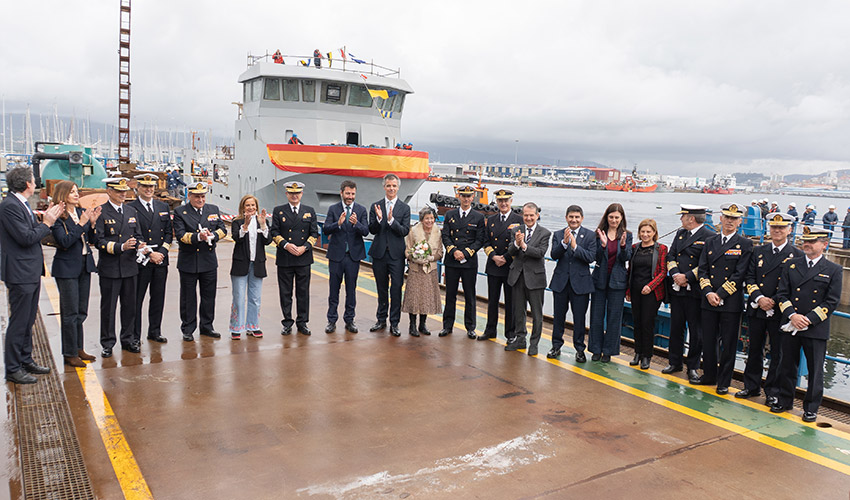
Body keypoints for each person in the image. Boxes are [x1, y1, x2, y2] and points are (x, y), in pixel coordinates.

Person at [771, 226, 842, 423]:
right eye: (805, 241)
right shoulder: (791, 265)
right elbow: (782, 294)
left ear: (824, 244)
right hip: (791, 323)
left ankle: (811, 408)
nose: (807, 244)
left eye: (812, 241)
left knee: (815, 370)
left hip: (815, 327)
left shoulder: (833, 269)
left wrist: (808, 319)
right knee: (787, 365)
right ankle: (784, 400)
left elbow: (831, 301)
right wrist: (793, 316)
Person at [0, 167, 64, 384]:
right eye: (33, 180)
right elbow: (26, 238)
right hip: (20, 273)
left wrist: (46, 221)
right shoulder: (10, 206)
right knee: (19, 321)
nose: (35, 183)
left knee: (28, 320)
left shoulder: (21, 203)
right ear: (28, 184)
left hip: (29, 271)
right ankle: (13, 368)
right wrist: (47, 223)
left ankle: (25, 359)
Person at [692, 203, 753, 394]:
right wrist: (709, 292)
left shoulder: (745, 244)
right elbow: (703, 269)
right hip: (708, 300)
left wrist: (719, 294)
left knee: (728, 344)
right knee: (708, 341)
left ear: (740, 221)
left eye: (734, 218)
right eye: (727, 217)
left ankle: (724, 381)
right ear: (721, 218)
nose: (730, 221)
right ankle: (709, 375)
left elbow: (740, 273)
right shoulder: (710, 241)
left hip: (730, 303)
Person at [738, 212, 796, 405]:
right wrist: (759, 298)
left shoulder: (796, 255)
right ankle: (751, 386)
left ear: (789, 230)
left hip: (779, 311)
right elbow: (749, 277)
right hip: (757, 307)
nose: (777, 230)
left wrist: (773, 300)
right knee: (754, 349)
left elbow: (793, 285)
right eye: (774, 227)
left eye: (781, 227)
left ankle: (773, 391)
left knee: (778, 354)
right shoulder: (758, 251)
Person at [50, 181, 101, 367]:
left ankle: (79, 348)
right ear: (63, 194)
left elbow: (91, 240)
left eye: (77, 191)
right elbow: (65, 241)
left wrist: (92, 224)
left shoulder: (81, 212)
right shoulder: (58, 216)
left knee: (81, 311)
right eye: (72, 192)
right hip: (66, 268)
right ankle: (69, 353)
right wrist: (81, 224)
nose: (76, 194)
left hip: (84, 265)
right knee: (70, 313)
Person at [94, 177, 144, 357]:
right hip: (110, 268)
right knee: (109, 308)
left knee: (129, 306)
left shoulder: (131, 211)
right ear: (109, 192)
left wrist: (140, 244)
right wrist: (120, 247)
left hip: (130, 267)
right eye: (119, 191)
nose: (123, 194)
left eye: (124, 191)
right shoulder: (101, 212)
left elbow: (138, 234)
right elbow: (98, 241)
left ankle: (128, 339)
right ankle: (107, 343)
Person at [172, 182, 227, 341]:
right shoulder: (180, 212)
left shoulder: (213, 209)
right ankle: (188, 328)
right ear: (189, 196)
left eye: (202, 196)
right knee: (188, 298)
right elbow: (181, 235)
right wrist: (198, 237)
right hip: (189, 261)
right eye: (197, 196)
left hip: (208, 261)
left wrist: (212, 236)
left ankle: (207, 326)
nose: (200, 199)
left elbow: (223, 230)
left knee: (209, 296)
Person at [663, 205, 713, 379]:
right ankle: (674, 362)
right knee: (676, 328)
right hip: (677, 289)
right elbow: (671, 256)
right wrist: (676, 274)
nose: (681, 219)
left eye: (683, 216)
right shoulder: (680, 234)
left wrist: (687, 277)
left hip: (695, 291)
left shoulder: (709, 236)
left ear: (691, 218)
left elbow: (707, 263)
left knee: (696, 331)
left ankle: (692, 366)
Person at [547, 205, 596, 361]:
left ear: (582, 218)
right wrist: (564, 243)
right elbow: (554, 255)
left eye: (577, 217)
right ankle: (556, 346)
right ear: (566, 218)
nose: (574, 220)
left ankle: (580, 349)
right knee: (558, 317)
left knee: (579, 319)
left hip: (580, 284)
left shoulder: (590, 235)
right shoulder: (558, 234)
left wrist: (575, 247)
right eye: (571, 217)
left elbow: (591, 257)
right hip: (561, 282)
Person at [129, 173, 172, 345]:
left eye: (151, 186)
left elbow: (168, 233)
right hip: (142, 260)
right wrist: (149, 253)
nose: (148, 189)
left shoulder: (163, 206)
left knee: (158, 298)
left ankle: (155, 331)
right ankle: (135, 336)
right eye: (145, 186)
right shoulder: (131, 208)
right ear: (138, 188)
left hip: (160, 260)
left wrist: (162, 252)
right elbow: (133, 233)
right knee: (136, 300)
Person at [270, 181, 318, 335]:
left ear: (301, 194)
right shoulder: (279, 211)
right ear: (287, 194)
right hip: (285, 257)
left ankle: (302, 322)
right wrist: (285, 245)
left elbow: (314, 233)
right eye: (291, 193)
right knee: (286, 292)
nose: (294, 196)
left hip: (303, 257)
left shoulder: (309, 211)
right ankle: (287, 322)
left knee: (303, 292)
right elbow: (274, 232)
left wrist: (305, 247)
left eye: (297, 193)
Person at [440, 185, 486, 338]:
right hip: (452, 260)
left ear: (473, 197)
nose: (466, 199)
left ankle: (470, 327)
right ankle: (447, 326)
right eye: (463, 196)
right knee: (450, 295)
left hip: (469, 262)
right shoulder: (450, 214)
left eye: (469, 196)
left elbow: (480, 240)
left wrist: (465, 253)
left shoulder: (479, 217)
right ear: (459, 197)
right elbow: (445, 236)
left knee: (470, 296)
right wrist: (454, 251)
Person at [505, 202, 551, 356]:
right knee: (519, 311)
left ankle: (534, 343)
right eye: (526, 215)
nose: (529, 218)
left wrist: (524, 245)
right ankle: (520, 339)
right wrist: (516, 244)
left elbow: (540, 253)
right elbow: (511, 251)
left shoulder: (545, 233)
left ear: (537, 215)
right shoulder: (516, 230)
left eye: (532, 215)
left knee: (537, 314)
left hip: (535, 279)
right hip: (517, 277)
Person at [588, 203, 633, 362]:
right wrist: (603, 245)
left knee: (614, 317)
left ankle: (608, 351)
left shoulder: (627, 235)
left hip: (617, 281)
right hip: (599, 280)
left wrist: (623, 246)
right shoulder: (598, 233)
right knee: (596, 316)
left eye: (617, 217)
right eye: (611, 217)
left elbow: (626, 258)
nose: (614, 220)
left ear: (622, 218)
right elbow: (595, 257)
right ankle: (595, 349)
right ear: (606, 217)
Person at [323, 180, 369, 334]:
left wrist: (356, 224)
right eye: (348, 193)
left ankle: (350, 320)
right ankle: (331, 320)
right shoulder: (333, 209)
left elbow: (366, 231)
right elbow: (326, 229)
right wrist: (338, 223)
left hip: (353, 257)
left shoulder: (361, 210)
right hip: (336, 256)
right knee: (333, 290)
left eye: (353, 194)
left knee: (351, 290)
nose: (350, 196)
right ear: (341, 193)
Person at [368, 174, 411, 336]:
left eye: (394, 186)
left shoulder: (404, 208)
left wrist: (392, 221)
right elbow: (371, 230)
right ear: (384, 187)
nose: (391, 188)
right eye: (388, 185)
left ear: (398, 187)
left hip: (396, 255)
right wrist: (379, 220)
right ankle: (381, 319)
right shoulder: (376, 206)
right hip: (379, 253)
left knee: (396, 288)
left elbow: (404, 231)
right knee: (381, 288)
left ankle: (395, 323)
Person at [480, 189, 522, 342]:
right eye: (500, 201)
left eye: (506, 200)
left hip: (510, 266)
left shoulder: (519, 220)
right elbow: (486, 242)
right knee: (492, 300)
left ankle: (510, 333)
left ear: (511, 201)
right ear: (497, 202)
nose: (503, 203)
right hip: (494, 265)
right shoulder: (491, 220)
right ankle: (490, 330)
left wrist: (505, 257)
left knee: (510, 302)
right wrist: (493, 256)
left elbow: (518, 243)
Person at [626, 219, 668, 370]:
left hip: (652, 292)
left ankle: (646, 356)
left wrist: (650, 286)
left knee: (647, 323)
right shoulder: (635, 248)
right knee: (637, 322)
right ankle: (637, 353)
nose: (645, 234)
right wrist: (628, 290)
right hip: (636, 290)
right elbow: (630, 270)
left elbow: (663, 272)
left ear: (654, 233)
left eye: (648, 232)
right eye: (642, 231)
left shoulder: (661, 249)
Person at [230, 195, 269, 339]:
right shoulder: (237, 222)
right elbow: (236, 238)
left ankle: (253, 326)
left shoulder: (262, 221)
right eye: (248, 205)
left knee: (255, 298)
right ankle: (236, 327)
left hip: (257, 264)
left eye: (253, 205)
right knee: (239, 298)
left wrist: (263, 225)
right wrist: (245, 226)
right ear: (242, 207)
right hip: (241, 264)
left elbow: (267, 241)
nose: (251, 208)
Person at [401, 207, 443, 336]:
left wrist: (431, 258)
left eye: (431, 218)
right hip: (416, 269)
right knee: (414, 297)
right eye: (427, 218)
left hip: (430, 270)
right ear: (422, 219)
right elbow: (407, 250)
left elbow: (440, 252)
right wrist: (415, 258)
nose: (429, 221)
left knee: (426, 297)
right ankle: (412, 325)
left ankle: (422, 324)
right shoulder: (413, 231)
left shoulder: (438, 232)